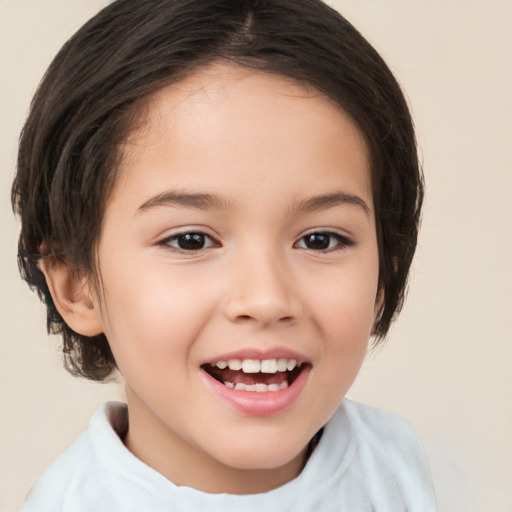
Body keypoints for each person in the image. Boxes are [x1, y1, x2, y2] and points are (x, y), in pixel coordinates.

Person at [11, 0, 436, 510]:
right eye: (190, 240)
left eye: (320, 239)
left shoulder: (399, 463)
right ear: (76, 284)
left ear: (383, 275)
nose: (265, 298)